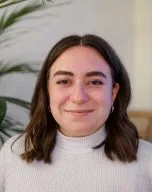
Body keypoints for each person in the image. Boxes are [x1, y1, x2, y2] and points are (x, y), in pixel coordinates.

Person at [0, 34, 152, 192]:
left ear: (113, 93)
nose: (78, 97)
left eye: (95, 82)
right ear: (47, 91)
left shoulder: (148, 160)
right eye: (64, 81)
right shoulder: (13, 152)